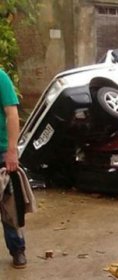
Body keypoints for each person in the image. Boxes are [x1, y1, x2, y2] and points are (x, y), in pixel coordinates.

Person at [0, 68, 27, 269]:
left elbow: (12, 113)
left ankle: (17, 249)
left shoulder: (1, 78)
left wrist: (12, 150)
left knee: (10, 206)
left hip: (1, 151)